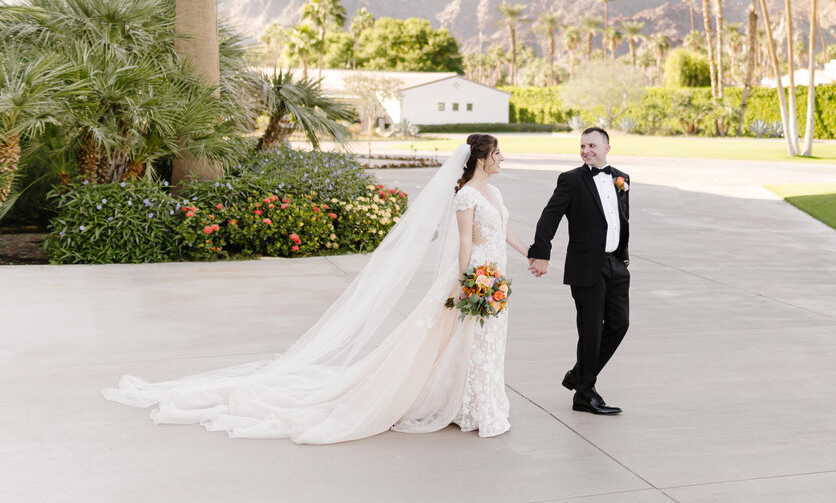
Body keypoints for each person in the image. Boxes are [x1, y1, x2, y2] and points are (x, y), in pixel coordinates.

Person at [102, 134, 532, 443]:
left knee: (486, 342)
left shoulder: (492, 193)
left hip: (495, 277)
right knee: (465, 341)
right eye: (496, 153)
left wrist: (529, 251)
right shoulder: (465, 198)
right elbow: (464, 242)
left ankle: (474, 403)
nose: (501, 159)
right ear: (480, 158)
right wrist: (465, 283)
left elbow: (503, 231)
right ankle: (469, 406)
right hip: (475, 278)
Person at [528, 126, 630, 416]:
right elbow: (550, 216)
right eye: (583, 146)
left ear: (607, 148)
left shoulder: (622, 179)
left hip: (616, 265)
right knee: (590, 332)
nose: (586, 150)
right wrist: (540, 253)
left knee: (619, 324)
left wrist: (623, 258)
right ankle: (584, 394)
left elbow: (621, 220)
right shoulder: (571, 180)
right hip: (587, 266)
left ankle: (578, 376)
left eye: (592, 146)